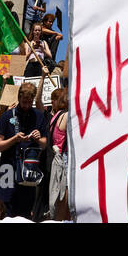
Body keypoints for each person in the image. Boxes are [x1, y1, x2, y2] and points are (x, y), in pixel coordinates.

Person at [0, 82, 48, 219]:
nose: (26, 105)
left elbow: (44, 145)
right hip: (8, 169)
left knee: (24, 211)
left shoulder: (39, 116)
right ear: (19, 97)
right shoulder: (7, 117)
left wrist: (38, 138)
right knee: (5, 209)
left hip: (28, 169)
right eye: (24, 102)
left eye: (30, 102)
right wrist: (14, 139)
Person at [45, 87, 69, 221]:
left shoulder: (56, 115)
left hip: (57, 158)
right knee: (63, 196)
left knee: (57, 195)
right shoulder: (66, 115)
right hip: (64, 158)